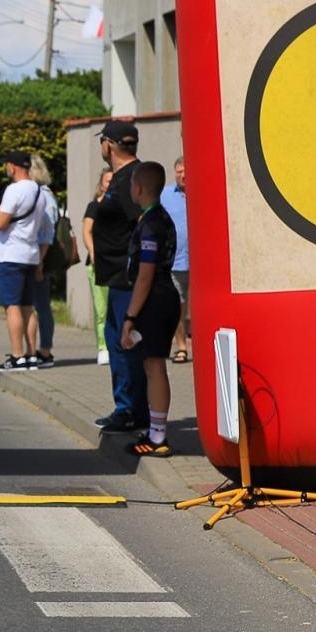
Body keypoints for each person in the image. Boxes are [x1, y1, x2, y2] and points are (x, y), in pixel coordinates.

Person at [118, 161, 182, 457]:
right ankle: (156, 430)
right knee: (152, 365)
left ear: (139, 187)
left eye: (132, 184)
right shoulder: (159, 218)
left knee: (155, 367)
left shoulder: (151, 223)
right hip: (163, 295)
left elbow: (145, 273)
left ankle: (157, 438)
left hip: (155, 299)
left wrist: (130, 316)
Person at [88, 120, 146, 434]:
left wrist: (138, 268)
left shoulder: (128, 180)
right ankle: (126, 408)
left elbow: (142, 224)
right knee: (117, 341)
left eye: (101, 143)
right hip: (116, 277)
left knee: (127, 345)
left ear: (109, 145)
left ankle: (131, 412)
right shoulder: (124, 177)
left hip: (127, 279)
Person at [0, 150, 43, 373]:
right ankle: (31, 355)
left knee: (12, 306)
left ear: (14, 166)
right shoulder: (38, 190)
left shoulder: (14, 190)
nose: (5, 169)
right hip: (31, 254)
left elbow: (1, 223)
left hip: (12, 254)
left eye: (7, 165)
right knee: (29, 306)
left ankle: (17, 355)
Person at [23, 154, 60, 366]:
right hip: (35, 257)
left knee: (41, 305)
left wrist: (40, 262)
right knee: (35, 304)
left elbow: (47, 232)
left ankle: (45, 350)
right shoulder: (38, 194)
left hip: (40, 259)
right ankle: (36, 349)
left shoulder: (43, 196)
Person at [79, 171, 112, 366]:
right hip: (98, 265)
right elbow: (86, 231)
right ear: (101, 184)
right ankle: (103, 347)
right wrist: (93, 253)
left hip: (116, 263)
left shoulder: (121, 205)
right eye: (108, 181)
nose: (111, 184)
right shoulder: (94, 206)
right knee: (102, 309)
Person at [160, 156, 190, 363]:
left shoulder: (202, 190)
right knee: (177, 304)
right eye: (178, 171)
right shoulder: (165, 195)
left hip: (203, 263)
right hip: (176, 260)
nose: (182, 175)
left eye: (185, 170)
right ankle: (181, 346)